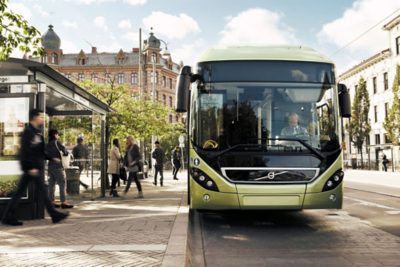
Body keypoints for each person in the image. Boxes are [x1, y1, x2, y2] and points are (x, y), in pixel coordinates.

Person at [1, 109, 69, 226]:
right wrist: (29, 167)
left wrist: (52, 158)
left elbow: (40, 152)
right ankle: (54, 215)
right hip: (31, 169)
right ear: (34, 118)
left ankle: (8, 216)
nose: (42, 119)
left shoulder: (37, 132)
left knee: (25, 192)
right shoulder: (29, 132)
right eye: (41, 117)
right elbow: (24, 152)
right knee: (40, 191)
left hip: (35, 168)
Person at [46, 129, 73, 209]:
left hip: (50, 166)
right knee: (62, 183)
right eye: (57, 134)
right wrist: (66, 153)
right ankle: (63, 202)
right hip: (58, 166)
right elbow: (65, 152)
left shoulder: (47, 144)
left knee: (51, 184)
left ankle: (52, 201)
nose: (58, 136)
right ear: (55, 135)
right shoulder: (56, 142)